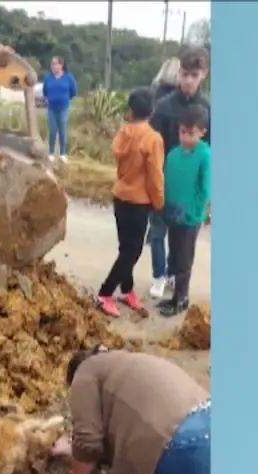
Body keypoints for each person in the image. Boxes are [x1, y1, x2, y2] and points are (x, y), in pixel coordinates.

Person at [51, 347, 210, 474]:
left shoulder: (84, 372)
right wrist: (74, 449)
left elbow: (89, 441)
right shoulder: (130, 361)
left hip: (183, 447)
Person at [145, 47, 211, 300]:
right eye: (184, 73)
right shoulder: (163, 106)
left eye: (194, 75)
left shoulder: (207, 110)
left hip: (191, 190)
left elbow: (211, 153)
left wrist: (203, 197)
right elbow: (151, 146)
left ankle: (176, 278)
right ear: (178, 73)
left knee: (183, 242)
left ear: (203, 74)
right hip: (164, 184)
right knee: (160, 233)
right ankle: (159, 276)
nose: (188, 80)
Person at [96, 87, 164, 318]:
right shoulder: (153, 139)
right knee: (131, 252)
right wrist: (158, 201)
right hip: (138, 201)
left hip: (120, 197)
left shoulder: (123, 132)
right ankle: (105, 293)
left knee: (126, 248)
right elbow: (155, 176)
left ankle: (127, 289)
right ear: (152, 111)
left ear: (131, 110)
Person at [158, 103, 211, 317]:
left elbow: (205, 188)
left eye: (191, 133)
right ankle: (173, 297)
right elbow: (166, 180)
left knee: (184, 259)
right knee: (174, 255)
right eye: (182, 132)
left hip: (190, 217)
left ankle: (182, 298)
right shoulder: (172, 154)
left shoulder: (205, 155)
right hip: (172, 212)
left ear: (202, 132)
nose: (186, 137)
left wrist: (194, 212)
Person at [41, 55, 78, 164]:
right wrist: (46, 99)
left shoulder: (68, 77)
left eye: (54, 63)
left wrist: (66, 99)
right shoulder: (48, 77)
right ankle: (51, 153)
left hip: (63, 108)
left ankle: (62, 154)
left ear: (60, 65)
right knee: (52, 131)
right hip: (51, 108)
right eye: (51, 64)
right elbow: (44, 91)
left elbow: (73, 91)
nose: (52, 66)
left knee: (62, 130)